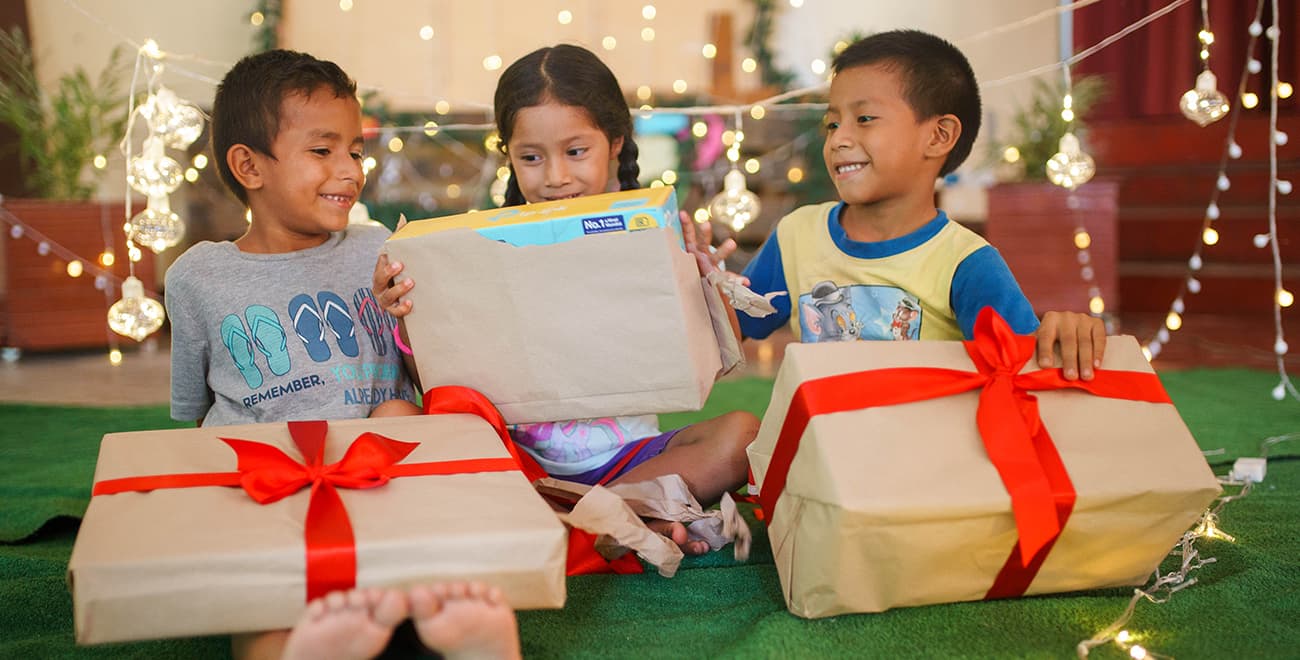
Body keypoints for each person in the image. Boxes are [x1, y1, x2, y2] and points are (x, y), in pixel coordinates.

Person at [165, 49, 517, 659]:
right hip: (274, 491)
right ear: (249, 165)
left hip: (383, 480)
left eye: (355, 150)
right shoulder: (198, 277)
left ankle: (450, 626)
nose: (350, 170)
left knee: (400, 419)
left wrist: (407, 320)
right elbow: (196, 420)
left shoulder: (378, 245)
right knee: (262, 602)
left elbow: (427, 379)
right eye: (323, 151)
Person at [373, 44, 757, 555]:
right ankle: (619, 518)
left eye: (576, 152)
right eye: (531, 158)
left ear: (615, 141)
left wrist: (703, 281)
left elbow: (714, 370)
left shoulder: (654, 235)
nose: (555, 177)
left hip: (632, 460)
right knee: (395, 419)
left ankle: (573, 521)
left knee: (742, 434)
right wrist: (407, 316)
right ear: (508, 155)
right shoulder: (481, 248)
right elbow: (440, 391)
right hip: (517, 463)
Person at [722, 30, 1107, 374]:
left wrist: (1066, 333)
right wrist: (695, 275)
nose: (839, 139)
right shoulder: (797, 235)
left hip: (925, 452)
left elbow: (1024, 368)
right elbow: (730, 329)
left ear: (939, 136)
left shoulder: (968, 263)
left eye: (866, 118)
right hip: (826, 448)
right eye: (833, 123)